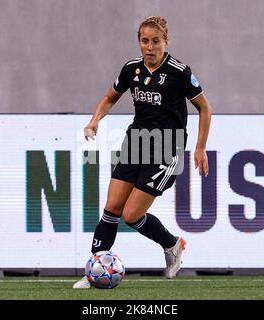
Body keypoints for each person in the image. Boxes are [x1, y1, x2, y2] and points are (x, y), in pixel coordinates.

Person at [74, 16, 212, 289]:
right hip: (135, 142)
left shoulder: (179, 73)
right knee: (112, 208)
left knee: (131, 215)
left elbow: (204, 109)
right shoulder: (131, 69)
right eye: (144, 41)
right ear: (139, 42)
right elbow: (110, 96)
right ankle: (95, 270)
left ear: (166, 42)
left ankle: (172, 245)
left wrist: (199, 147)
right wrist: (94, 120)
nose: (149, 47)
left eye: (155, 41)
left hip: (166, 147)